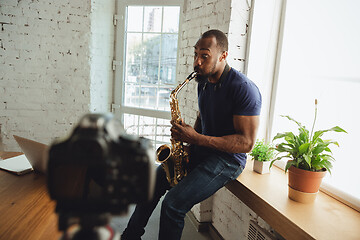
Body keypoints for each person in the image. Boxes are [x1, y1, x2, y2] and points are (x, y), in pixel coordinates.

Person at [121, 29, 262, 240]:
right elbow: (203, 115)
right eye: (195, 54)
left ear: (223, 56)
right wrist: (189, 142)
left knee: (173, 205)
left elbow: (246, 143)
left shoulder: (243, 89)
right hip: (203, 149)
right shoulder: (203, 81)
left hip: (228, 160)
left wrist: (196, 139)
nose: (197, 61)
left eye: (204, 55)